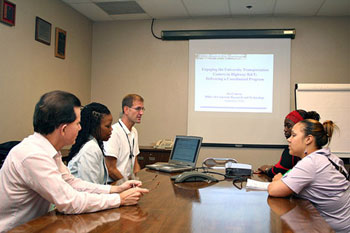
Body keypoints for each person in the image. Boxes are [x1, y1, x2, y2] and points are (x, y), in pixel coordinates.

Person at [0, 91, 148, 233]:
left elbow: (72, 183)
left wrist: (116, 189)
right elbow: (69, 202)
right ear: (64, 129)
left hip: (36, 225)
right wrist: (119, 199)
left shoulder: (50, 151)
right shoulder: (33, 155)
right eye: (77, 123)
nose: (81, 127)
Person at [268, 119, 350, 233]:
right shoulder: (331, 157)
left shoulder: (311, 162)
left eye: (294, 135)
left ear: (308, 139)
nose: (289, 139)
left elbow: (274, 190)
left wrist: (279, 180)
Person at [257, 110, 320, 177]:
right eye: (285, 126)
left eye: (289, 126)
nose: (285, 129)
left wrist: (267, 169)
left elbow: (279, 172)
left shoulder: (296, 151)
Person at [66, 102, 112, 184]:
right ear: (95, 127)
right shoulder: (90, 149)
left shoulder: (92, 144)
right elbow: (91, 190)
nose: (111, 129)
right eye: (107, 126)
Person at [104, 94, 144, 182]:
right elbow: (111, 169)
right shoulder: (113, 132)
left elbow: (135, 163)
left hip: (127, 183)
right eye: (138, 109)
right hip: (114, 184)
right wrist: (127, 184)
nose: (141, 113)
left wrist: (137, 182)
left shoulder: (134, 132)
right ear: (126, 109)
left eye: (142, 109)